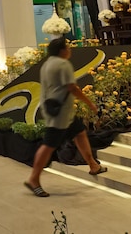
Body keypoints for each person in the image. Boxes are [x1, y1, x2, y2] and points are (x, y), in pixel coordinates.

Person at [25, 39, 104, 197]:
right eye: (67, 47)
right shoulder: (63, 64)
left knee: (79, 133)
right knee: (49, 145)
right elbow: (72, 88)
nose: (70, 49)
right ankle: (34, 179)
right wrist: (90, 104)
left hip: (58, 109)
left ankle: (93, 165)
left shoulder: (47, 63)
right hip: (60, 113)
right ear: (62, 50)